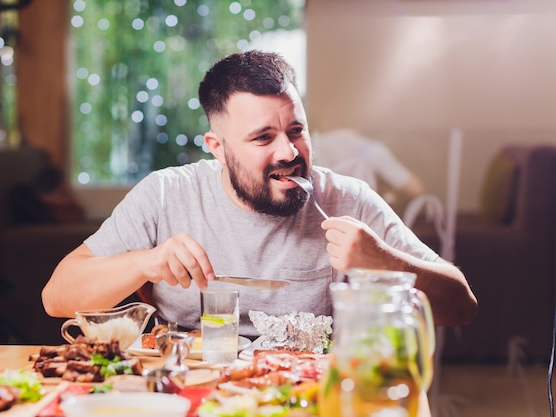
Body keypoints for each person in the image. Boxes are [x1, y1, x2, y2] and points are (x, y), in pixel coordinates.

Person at [41, 51, 476, 337]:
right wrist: (144, 262)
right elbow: (57, 297)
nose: (289, 152)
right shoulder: (165, 194)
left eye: (296, 131)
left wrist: (385, 261)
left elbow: (462, 306)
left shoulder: (349, 199)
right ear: (217, 148)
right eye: (263, 138)